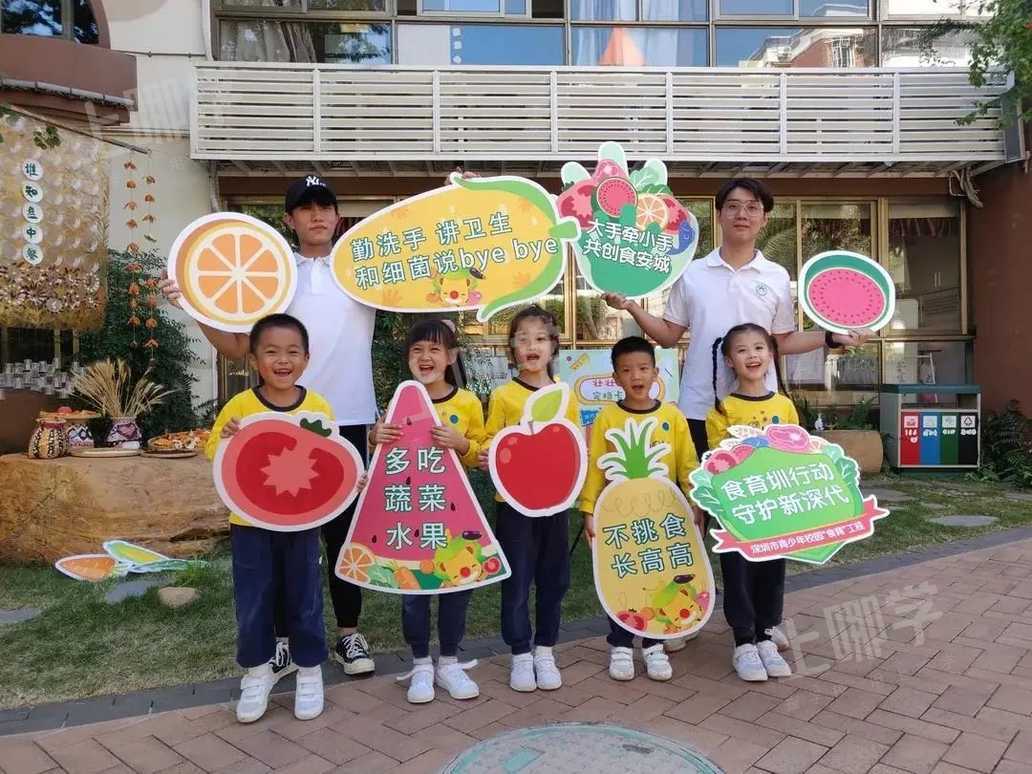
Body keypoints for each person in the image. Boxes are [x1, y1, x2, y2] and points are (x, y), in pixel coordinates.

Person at [604, 177, 869, 652]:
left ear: (764, 218)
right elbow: (668, 335)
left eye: (751, 207)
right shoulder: (693, 274)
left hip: (760, 421)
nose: (742, 214)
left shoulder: (776, 277)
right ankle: (681, 613)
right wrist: (631, 308)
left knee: (762, 520)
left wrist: (830, 337)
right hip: (698, 411)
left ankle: (762, 621)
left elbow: (783, 341)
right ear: (720, 214)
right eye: (732, 206)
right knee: (692, 518)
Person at [162, 176, 377, 677]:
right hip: (282, 423)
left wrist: (456, 206)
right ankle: (282, 641)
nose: (317, 215)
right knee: (283, 535)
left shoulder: (363, 269)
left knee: (345, 536)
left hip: (348, 419)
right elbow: (238, 346)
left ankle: (349, 634)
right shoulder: (274, 271)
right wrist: (191, 303)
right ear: (289, 219)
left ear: (338, 216)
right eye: (305, 208)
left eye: (325, 207)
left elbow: (427, 286)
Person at [205, 314, 330, 723]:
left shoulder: (317, 407)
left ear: (306, 358)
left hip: (302, 523)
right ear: (254, 359)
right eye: (271, 352)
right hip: (250, 524)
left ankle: (309, 670)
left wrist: (349, 480)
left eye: (292, 352)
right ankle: (257, 673)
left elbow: (329, 463)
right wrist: (227, 438)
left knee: (305, 596)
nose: (282, 360)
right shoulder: (240, 406)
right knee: (254, 599)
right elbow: (215, 454)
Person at [367, 319, 484, 705]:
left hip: (454, 517)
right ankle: (420, 663)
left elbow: (481, 454)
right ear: (408, 358)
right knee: (413, 589)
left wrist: (462, 443)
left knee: (457, 587)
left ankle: (448, 662)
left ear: (451, 356)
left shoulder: (467, 403)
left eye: (435, 349)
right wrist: (375, 437)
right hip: (410, 516)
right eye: (417, 350)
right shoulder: (400, 401)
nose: (425, 357)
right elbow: (384, 457)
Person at [578, 336, 699, 682]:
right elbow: (595, 469)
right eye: (627, 370)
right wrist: (589, 510)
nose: (636, 376)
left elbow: (687, 463)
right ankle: (619, 643)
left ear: (656, 373)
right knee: (622, 577)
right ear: (616, 377)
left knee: (659, 577)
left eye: (643, 368)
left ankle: (654, 643)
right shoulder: (607, 417)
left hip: (662, 516)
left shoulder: (671, 416)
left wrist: (694, 503)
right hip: (619, 517)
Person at [479, 305, 581, 692]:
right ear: (512, 348)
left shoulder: (565, 396)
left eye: (540, 339)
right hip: (513, 505)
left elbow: (572, 447)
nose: (531, 346)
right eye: (523, 339)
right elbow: (491, 441)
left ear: (553, 346)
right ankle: (520, 652)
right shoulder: (503, 395)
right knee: (517, 579)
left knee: (555, 579)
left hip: (556, 504)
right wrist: (489, 452)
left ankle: (545, 650)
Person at [706, 323, 798, 682]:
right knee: (738, 573)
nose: (752, 355)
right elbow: (718, 463)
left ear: (770, 354)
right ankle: (743, 642)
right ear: (730, 361)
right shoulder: (723, 410)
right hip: (737, 511)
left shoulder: (784, 406)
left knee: (772, 573)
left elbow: (798, 454)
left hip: (775, 510)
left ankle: (766, 636)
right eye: (742, 350)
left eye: (759, 347)